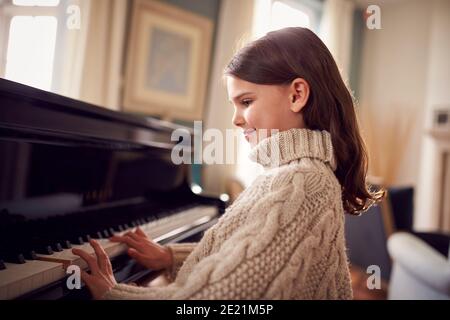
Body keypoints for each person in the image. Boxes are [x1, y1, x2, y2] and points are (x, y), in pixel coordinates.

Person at [72, 27, 385, 300]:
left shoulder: (300, 183)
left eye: (246, 101)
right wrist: (170, 256)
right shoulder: (300, 175)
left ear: (297, 95)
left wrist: (116, 294)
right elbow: (258, 255)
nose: (236, 119)